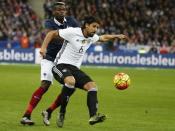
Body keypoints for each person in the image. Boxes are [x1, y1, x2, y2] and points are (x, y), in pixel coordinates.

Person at [40, 16, 128, 127]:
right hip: (60, 65)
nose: (96, 29)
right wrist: (43, 48)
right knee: (70, 82)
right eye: (94, 26)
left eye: (97, 27)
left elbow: (103, 38)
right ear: (86, 25)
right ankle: (62, 112)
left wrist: (116, 36)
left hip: (74, 69)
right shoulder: (72, 32)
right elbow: (51, 33)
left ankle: (93, 116)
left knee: (92, 86)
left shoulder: (91, 37)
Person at [20, 1, 79, 126]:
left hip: (64, 61)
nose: (61, 11)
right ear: (54, 11)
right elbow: (52, 35)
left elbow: (80, 33)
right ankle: (26, 115)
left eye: (63, 9)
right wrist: (71, 36)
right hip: (50, 59)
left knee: (71, 87)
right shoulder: (49, 23)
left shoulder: (72, 21)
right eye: (59, 10)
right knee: (45, 85)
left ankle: (49, 111)